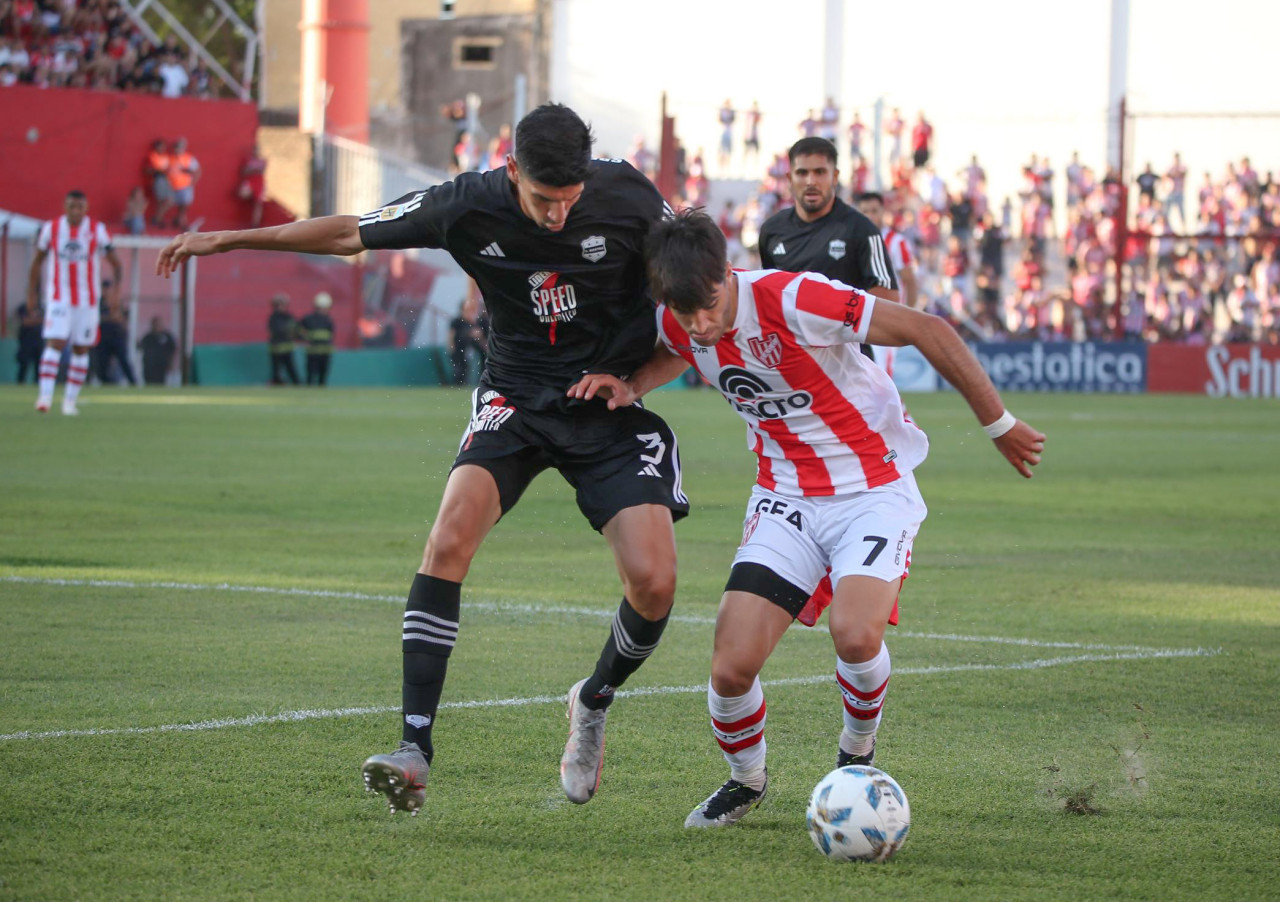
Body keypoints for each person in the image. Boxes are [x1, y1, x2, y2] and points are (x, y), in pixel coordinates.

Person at [155, 103, 688, 815]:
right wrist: (228, 240)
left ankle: (592, 701)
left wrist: (637, 380)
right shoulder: (467, 203)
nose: (556, 218)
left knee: (654, 584)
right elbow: (349, 231)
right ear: (510, 172)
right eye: (540, 201)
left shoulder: (630, 198)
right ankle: (413, 749)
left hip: (608, 405)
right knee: (448, 539)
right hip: (516, 399)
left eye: (568, 202)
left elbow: (697, 295)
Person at [567, 208, 1045, 828]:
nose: (702, 325)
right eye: (686, 315)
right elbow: (679, 349)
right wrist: (634, 384)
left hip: (872, 489)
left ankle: (857, 751)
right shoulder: (678, 318)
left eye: (710, 306)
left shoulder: (795, 298)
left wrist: (999, 424)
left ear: (726, 274)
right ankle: (746, 782)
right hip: (785, 498)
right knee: (730, 668)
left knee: (856, 635)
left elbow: (929, 329)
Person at [758, 137, 899, 363]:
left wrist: (831, 319)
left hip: (850, 365)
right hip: (793, 362)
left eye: (820, 172)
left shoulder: (861, 229)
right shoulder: (772, 231)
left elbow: (889, 299)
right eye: (802, 173)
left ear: (835, 177)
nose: (811, 181)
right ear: (789, 178)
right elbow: (769, 294)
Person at [28, 189, 123, 414]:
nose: (76, 211)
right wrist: (31, 294)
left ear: (86, 208)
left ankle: (69, 402)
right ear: (65, 206)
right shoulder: (50, 229)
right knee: (56, 343)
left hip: (88, 300)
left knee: (81, 348)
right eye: (72, 206)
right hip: (59, 297)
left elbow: (116, 263)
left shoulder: (97, 231)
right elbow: (37, 263)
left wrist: (116, 294)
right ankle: (45, 398)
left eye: (80, 206)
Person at [448, 282, 488, 385]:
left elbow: (483, 339)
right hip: (461, 347)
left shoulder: (479, 321)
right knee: (460, 367)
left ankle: (480, 382)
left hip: (476, 347)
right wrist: (451, 347)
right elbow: (451, 335)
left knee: (481, 363)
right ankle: (458, 384)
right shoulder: (457, 321)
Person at [95, 297, 137, 385]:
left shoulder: (117, 303)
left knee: (123, 361)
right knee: (102, 363)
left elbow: (120, 318)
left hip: (117, 337)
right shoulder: (100, 303)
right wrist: (110, 317)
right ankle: (107, 383)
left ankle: (133, 382)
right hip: (104, 337)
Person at [299, 291, 335, 386]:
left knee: (322, 376)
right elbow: (299, 332)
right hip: (312, 352)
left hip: (325, 352)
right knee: (310, 376)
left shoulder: (328, 320)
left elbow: (330, 336)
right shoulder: (308, 319)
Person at [166, 137, 200, 230]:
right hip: (172, 186)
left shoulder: (188, 158)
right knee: (171, 204)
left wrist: (192, 183)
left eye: (180, 147)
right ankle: (177, 220)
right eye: (177, 146)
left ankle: (182, 223)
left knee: (184, 206)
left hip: (185, 186)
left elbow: (197, 171)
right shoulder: (170, 158)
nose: (178, 148)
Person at [266, 293, 299, 385]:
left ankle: (297, 383)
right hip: (276, 348)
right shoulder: (274, 318)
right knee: (276, 369)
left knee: (290, 367)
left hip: (287, 347)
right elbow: (277, 330)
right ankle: (277, 381)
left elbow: (295, 329)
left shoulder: (289, 317)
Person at [138, 316, 176, 385]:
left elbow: (173, 349)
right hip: (149, 367)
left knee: (160, 383)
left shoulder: (167, 336)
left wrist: (171, 363)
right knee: (149, 383)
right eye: (155, 324)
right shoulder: (148, 337)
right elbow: (139, 347)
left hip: (161, 366)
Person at [14, 298, 44, 383]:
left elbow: (45, 320)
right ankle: (20, 383)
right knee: (24, 364)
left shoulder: (41, 307)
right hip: (25, 341)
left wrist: (33, 320)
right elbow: (25, 322)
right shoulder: (22, 307)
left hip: (38, 341)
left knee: (39, 365)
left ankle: (38, 384)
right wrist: (37, 321)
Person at [145, 139, 171, 227]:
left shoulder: (165, 156)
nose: (162, 148)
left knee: (168, 200)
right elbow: (148, 170)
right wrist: (157, 170)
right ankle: (158, 220)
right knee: (160, 201)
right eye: (161, 146)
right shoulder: (153, 156)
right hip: (158, 178)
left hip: (166, 179)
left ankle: (157, 218)